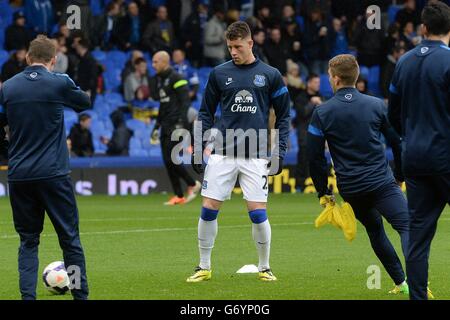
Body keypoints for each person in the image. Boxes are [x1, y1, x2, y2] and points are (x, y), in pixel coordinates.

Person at [186, 21, 290, 283]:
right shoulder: (219, 73)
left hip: (255, 155)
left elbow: (284, 117)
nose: (233, 51)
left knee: (257, 212)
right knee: (208, 208)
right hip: (223, 153)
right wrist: (198, 147)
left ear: (250, 44)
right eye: (230, 47)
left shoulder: (270, 74)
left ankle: (264, 267)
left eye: (238, 46)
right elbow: (206, 113)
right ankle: (203, 266)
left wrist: (279, 151)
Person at [307, 54, 410, 296]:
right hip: (382, 182)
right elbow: (398, 143)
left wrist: (324, 193)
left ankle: (401, 283)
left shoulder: (321, 112)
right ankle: (417, 282)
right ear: (355, 76)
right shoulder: (376, 105)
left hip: (352, 188)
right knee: (407, 227)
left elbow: (314, 157)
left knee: (375, 231)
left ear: (334, 79)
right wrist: (400, 175)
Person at [0, 35, 90, 300]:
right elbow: (84, 102)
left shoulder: (8, 87)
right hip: (54, 174)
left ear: (27, 58)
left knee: (28, 241)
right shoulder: (59, 82)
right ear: (53, 60)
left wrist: (9, 152)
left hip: (19, 175)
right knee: (70, 240)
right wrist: (65, 82)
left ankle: (28, 297)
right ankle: (80, 296)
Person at [388, 2, 450, 300]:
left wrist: (408, 139)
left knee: (418, 238)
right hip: (446, 156)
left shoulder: (403, 62)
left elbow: (393, 115)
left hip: (414, 158)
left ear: (422, 28)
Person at [149, 51, 201, 205]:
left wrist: (183, 123)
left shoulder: (177, 78)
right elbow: (163, 105)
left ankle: (192, 184)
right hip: (165, 123)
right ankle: (179, 195)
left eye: (155, 62)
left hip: (177, 123)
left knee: (171, 159)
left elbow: (185, 102)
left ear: (165, 62)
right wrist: (156, 126)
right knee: (167, 160)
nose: (153, 65)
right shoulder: (161, 80)